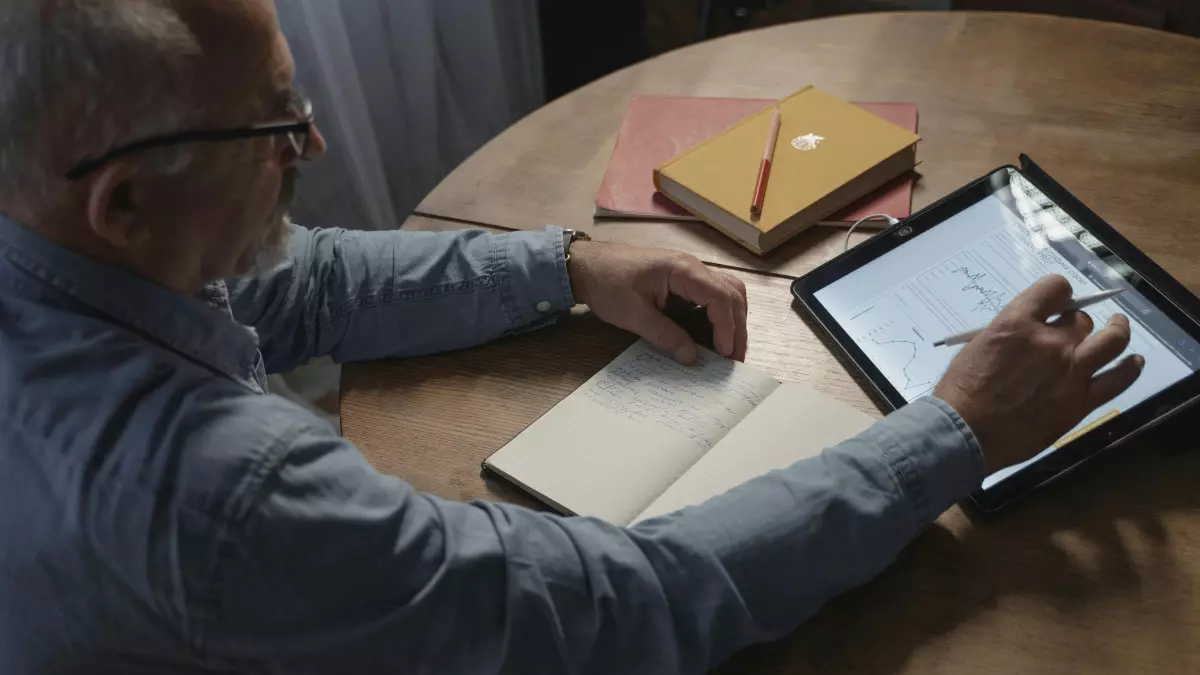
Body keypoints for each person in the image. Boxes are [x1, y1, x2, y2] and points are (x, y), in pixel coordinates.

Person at [0, 1, 1145, 673]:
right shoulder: (226, 498)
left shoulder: (60, 237)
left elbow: (305, 279)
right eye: (273, 125)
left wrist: (569, 266)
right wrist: (951, 429)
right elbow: (623, 610)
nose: (320, 143)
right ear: (124, 206)